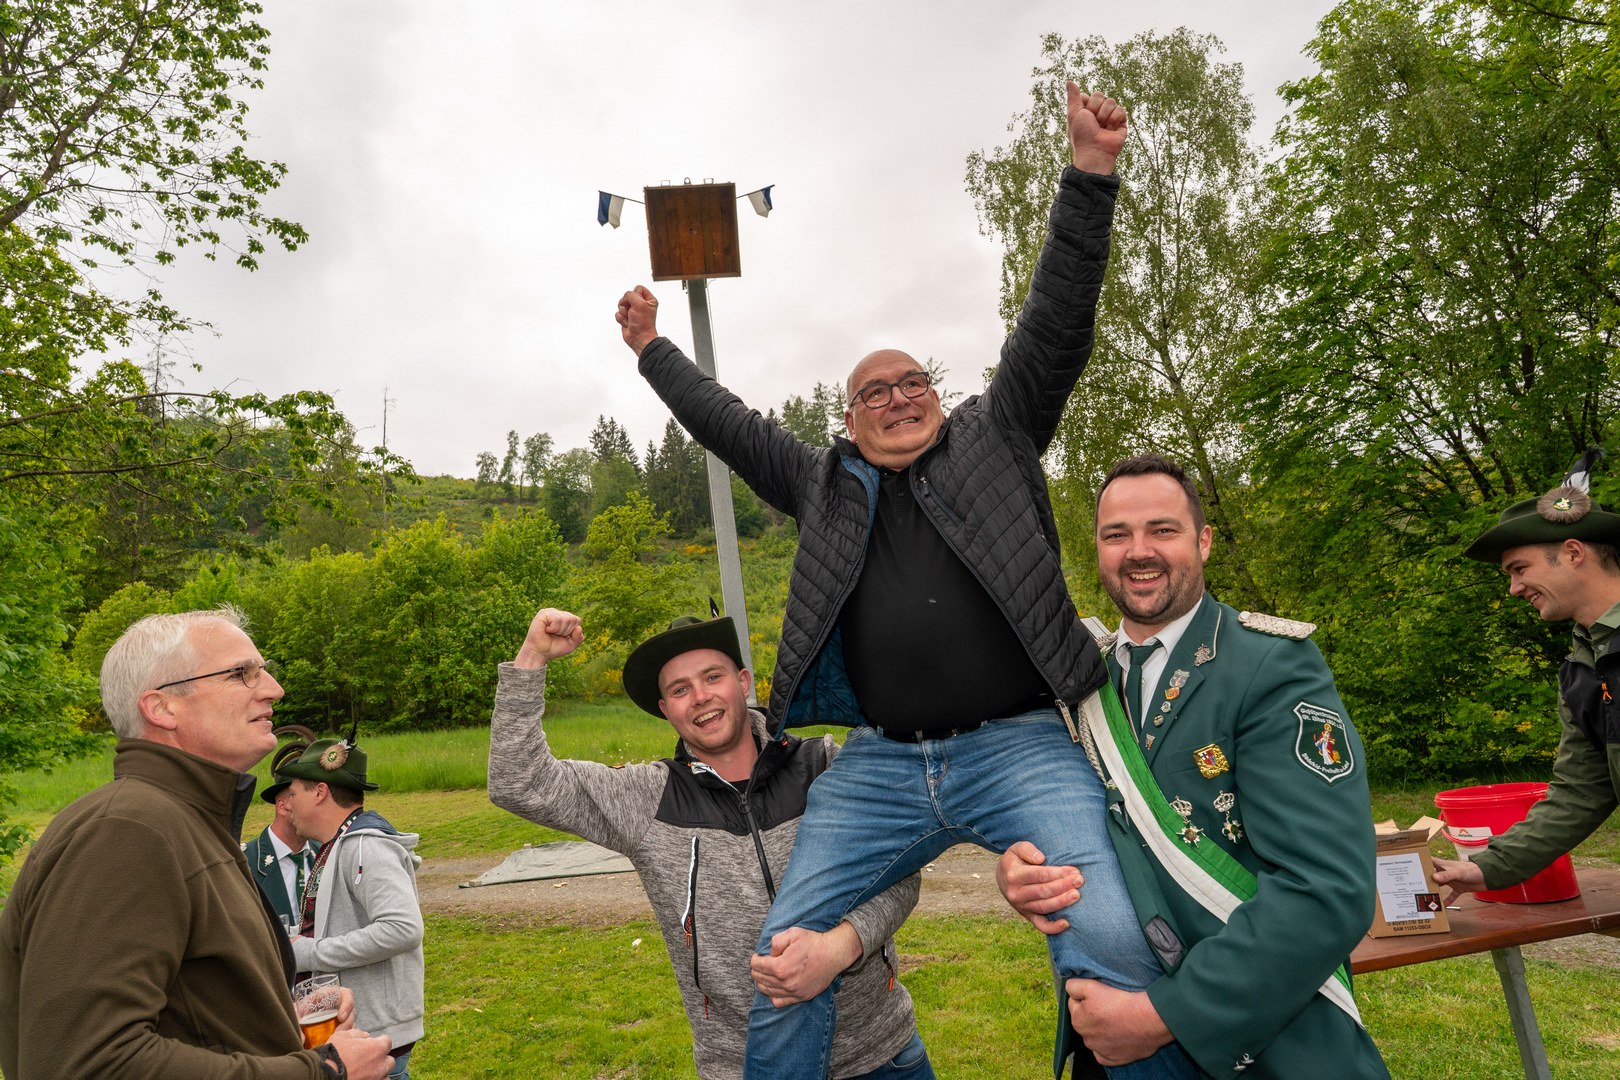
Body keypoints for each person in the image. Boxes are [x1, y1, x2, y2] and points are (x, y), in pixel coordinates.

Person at [617, 85, 1195, 1080]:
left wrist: (1089, 174)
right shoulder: (820, 481)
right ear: (848, 420)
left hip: (1018, 747)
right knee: (787, 953)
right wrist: (652, 351)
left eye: (912, 382)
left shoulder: (998, 435)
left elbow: (1056, 318)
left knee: (1102, 923)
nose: (896, 398)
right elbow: (725, 420)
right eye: (873, 392)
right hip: (880, 769)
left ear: (938, 394)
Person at [997, 455, 1390, 1078]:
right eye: (1116, 535)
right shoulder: (1076, 678)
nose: (1138, 552)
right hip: (1108, 1037)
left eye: (1163, 530)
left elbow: (1327, 890)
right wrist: (1021, 870)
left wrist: (1162, 1017)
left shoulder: (1271, 666)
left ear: (1203, 542)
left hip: (1260, 1042)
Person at [487, 607, 932, 1080]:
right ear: (665, 709)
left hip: (881, 1053)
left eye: (712, 676)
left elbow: (901, 875)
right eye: (679, 690)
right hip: (742, 1065)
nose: (700, 698)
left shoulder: (826, 765)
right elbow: (518, 781)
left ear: (742, 682)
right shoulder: (644, 798)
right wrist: (533, 656)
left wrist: (841, 948)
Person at [0, 608, 393, 1080]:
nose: (272, 688)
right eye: (242, 674)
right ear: (162, 707)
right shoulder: (127, 832)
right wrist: (323, 1071)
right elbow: (86, 1062)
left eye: (262, 670)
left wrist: (272, 1016)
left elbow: (187, 1013)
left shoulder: (182, 819)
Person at [1432, 463, 1620, 899]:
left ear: (1574, 553)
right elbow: (1580, 792)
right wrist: (1485, 869)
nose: (1515, 588)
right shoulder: (1582, 668)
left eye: (1520, 568)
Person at [281, 735, 425, 1080]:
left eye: (293, 793)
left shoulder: (366, 847)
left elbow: (403, 929)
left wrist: (308, 952)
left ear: (319, 792)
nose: (286, 804)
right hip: (355, 1033)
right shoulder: (337, 846)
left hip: (373, 1039)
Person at [246, 740, 318, 928]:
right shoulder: (244, 862)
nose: (322, 807)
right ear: (283, 806)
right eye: (312, 798)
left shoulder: (328, 853)